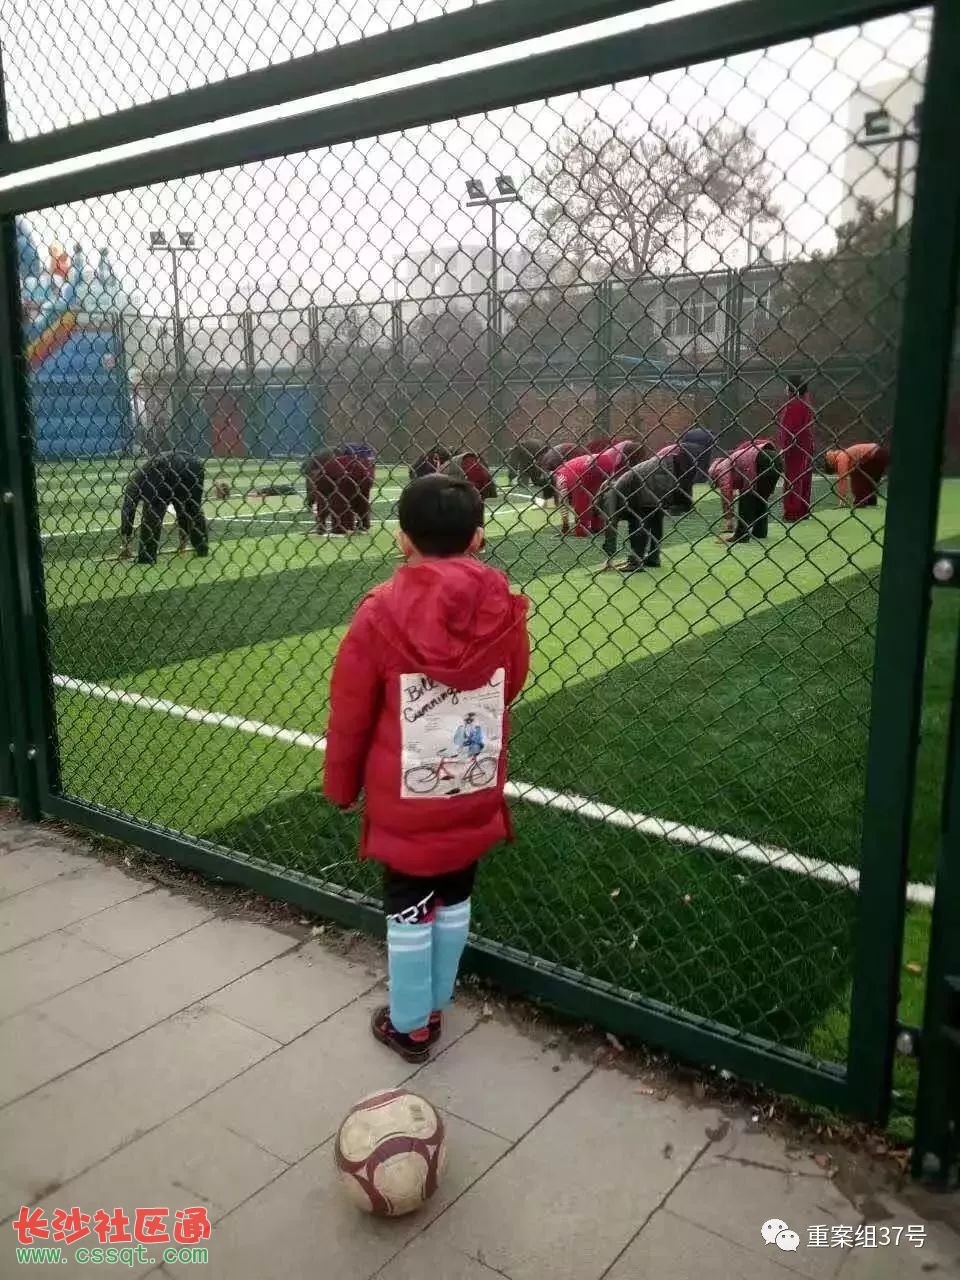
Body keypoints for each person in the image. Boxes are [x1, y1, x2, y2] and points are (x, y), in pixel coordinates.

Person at [324, 474, 530, 1062]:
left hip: (405, 798)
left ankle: (412, 1024)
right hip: (472, 782)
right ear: (478, 537)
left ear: (402, 540)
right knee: (456, 891)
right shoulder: (505, 606)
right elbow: (512, 681)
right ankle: (437, 999)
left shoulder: (379, 611)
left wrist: (341, 786)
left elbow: (351, 711)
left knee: (410, 903)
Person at [598, 449, 691, 572]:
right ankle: (653, 558)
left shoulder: (609, 496)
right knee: (656, 520)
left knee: (637, 523)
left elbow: (611, 526)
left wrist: (610, 556)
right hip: (663, 472)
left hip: (651, 483)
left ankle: (635, 562)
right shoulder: (620, 484)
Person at [119, 451, 208, 565]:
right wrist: (183, 538)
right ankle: (202, 549)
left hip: (164, 467)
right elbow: (180, 508)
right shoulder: (142, 477)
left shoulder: (134, 485)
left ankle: (147, 557)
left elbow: (127, 510)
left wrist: (125, 543)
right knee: (192, 507)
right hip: (194, 464)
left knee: (152, 513)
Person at [709, 438, 782, 543]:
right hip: (776, 459)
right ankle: (760, 532)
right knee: (761, 497)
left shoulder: (721, 468)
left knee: (746, 498)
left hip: (759, 460)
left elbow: (726, 494)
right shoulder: (732, 460)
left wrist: (728, 518)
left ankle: (741, 535)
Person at [778, 378, 815, 522]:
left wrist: (784, 447)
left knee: (793, 478)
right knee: (804, 478)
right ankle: (803, 510)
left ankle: (792, 512)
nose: (785, 389)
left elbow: (789, 428)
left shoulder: (793, 404)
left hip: (795, 447)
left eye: (787, 386)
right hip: (806, 444)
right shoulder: (806, 402)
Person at [824, 443, 890, 508]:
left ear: (832, 464)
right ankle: (870, 500)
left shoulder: (841, 457)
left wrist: (842, 497)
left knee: (857, 475)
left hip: (876, 455)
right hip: (881, 453)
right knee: (868, 477)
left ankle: (860, 500)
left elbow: (842, 479)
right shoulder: (846, 454)